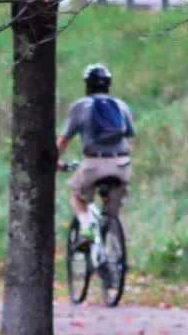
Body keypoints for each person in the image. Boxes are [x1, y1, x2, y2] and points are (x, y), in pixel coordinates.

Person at [57, 63, 136, 246]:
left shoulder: (81, 106)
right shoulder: (120, 106)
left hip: (94, 163)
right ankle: (118, 259)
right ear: (108, 85)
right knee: (113, 214)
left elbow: (63, 140)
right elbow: (130, 133)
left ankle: (87, 229)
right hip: (121, 165)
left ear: (87, 85)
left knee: (77, 195)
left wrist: (55, 161)